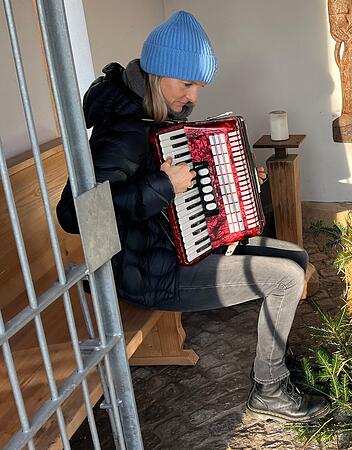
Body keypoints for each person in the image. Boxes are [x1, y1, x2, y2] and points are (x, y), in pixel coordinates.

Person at [56, 11, 329, 423]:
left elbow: (178, 197)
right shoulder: (122, 133)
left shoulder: (154, 119)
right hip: (145, 274)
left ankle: (277, 365)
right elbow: (75, 215)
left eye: (199, 85)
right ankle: (269, 389)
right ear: (156, 74)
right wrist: (162, 186)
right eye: (186, 84)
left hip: (173, 250)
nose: (194, 97)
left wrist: (232, 181)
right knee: (285, 278)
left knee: (295, 258)